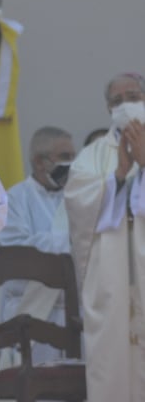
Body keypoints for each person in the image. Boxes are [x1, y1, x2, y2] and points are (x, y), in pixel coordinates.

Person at [64, 72, 145, 402]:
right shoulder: (93, 155)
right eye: (117, 100)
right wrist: (118, 176)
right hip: (110, 279)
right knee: (111, 364)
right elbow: (77, 200)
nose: (125, 104)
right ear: (108, 108)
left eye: (133, 96)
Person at [0, 126, 76, 365]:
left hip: (73, 313)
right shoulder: (13, 199)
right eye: (65, 157)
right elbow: (18, 251)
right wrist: (70, 241)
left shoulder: (76, 197)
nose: (72, 164)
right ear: (40, 162)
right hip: (29, 313)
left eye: (73, 156)